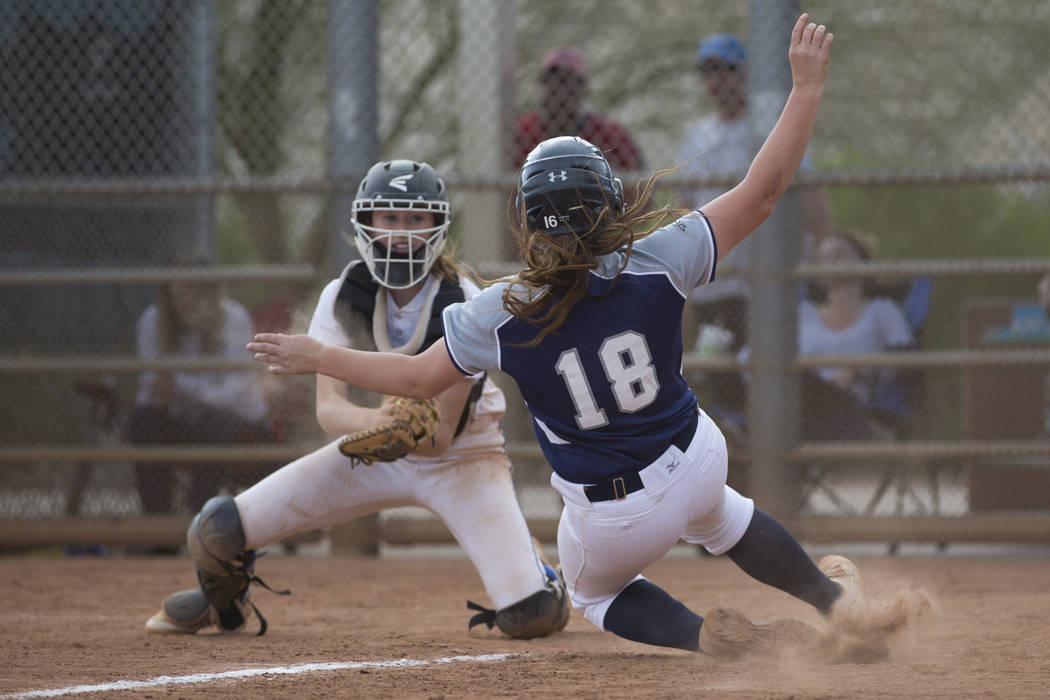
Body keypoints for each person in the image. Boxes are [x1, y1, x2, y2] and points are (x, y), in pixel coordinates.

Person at [249, 16, 929, 660]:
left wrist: (318, 355)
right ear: (611, 201)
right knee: (724, 514)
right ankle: (837, 604)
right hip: (693, 460)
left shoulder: (501, 310)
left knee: (595, 595)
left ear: (525, 219)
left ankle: (706, 638)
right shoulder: (663, 255)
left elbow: (418, 381)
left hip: (612, 519)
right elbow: (765, 189)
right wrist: (806, 88)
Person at [144, 159, 570, 641]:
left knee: (530, 615)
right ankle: (225, 603)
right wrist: (379, 420)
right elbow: (330, 411)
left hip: (462, 459)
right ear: (366, 223)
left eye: (416, 219)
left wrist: (397, 424)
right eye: (389, 218)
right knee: (215, 530)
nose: (402, 232)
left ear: (439, 226)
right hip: (373, 448)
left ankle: (540, 572)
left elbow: (437, 438)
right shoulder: (345, 293)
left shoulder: (461, 297)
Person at [677, 33, 831, 358]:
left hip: (768, 272)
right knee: (719, 363)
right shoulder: (697, 135)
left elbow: (807, 189)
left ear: (744, 73)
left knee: (770, 360)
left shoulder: (767, 125)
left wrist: (823, 240)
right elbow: (685, 204)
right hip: (717, 274)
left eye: (725, 70)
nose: (716, 80)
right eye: (708, 71)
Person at [125, 251, 278, 518]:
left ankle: (201, 519)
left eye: (194, 292)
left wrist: (182, 388)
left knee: (215, 420)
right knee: (141, 420)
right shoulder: (154, 321)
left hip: (237, 428)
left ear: (211, 293)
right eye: (177, 294)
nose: (184, 300)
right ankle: (158, 527)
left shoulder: (233, 317)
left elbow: (232, 394)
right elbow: (152, 390)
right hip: (183, 423)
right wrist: (172, 393)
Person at [798, 230, 916, 441]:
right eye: (825, 257)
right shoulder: (803, 313)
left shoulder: (882, 309)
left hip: (853, 402)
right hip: (801, 395)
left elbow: (904, 359)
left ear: (862, 261)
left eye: (840, 253)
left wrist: (857, 369)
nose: (832, 260)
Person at [513, 46, 644, 172]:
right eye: (551, 80)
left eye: (567, 80)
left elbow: (639, 180)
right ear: (541, 84)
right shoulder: (523, 132)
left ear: (584, 88)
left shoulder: (610, 135)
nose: (558, 88)